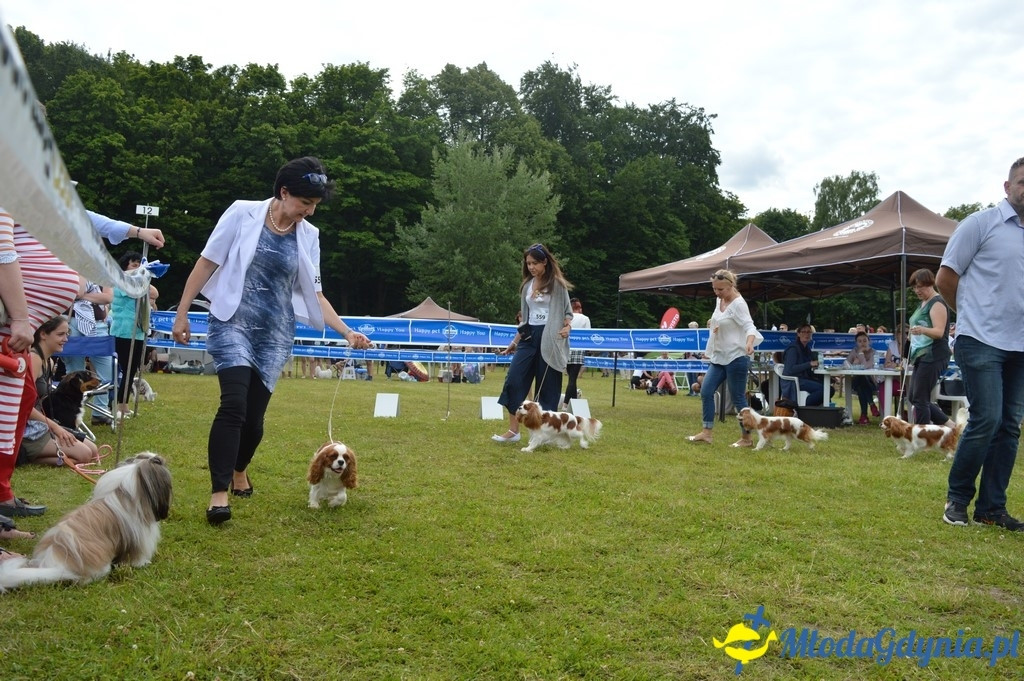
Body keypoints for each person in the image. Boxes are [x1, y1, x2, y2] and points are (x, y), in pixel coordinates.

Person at [172, 157, 370, 525]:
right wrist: (183, 311)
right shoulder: (241, 213)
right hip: (231, 321)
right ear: (283, 192)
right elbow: (206, 262)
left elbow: (317, 295)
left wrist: (347, 332)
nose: (309, 211)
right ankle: (218, 494)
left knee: (255, 419)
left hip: (275, 332)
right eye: (304, 203)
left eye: (314, 206)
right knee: (233, 404)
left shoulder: (309, 237)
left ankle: (239, 469)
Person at [937, 156, 1024, 530]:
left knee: (1010, 425)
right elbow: (945, 277)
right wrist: (969, 315)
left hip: (1020, 344)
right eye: (1023, 182)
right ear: (1007, 187)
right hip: (980, 339)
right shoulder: (981, 223)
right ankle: (957, 500)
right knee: (986, 419)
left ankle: (991, 509)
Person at [0, 208, 82, 521]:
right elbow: (3, 250)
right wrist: (21, 318)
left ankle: (3, 501)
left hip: (17, 328)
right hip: (14, 326)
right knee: (7, 417)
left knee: (13, 414)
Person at [492, 243, 573, 443]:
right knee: (514, 380)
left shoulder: (557, 284)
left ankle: (545, 435)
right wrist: (514, 342)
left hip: (550, 338)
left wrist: (567, 328)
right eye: (528, 263)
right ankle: (513, 431)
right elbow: (524, 320)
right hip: (529, 338)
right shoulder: (527, 286)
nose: (530, 267)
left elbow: (568, 313)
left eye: (534, 263)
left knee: (547, 388)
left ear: (545, 262)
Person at [687, 269, 761, 447]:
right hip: (719, 356)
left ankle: (747, 438)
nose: (717, 293)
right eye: (714, 289)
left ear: (731, 285)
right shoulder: (719, 299)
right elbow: (717, 320)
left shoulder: (739, 304)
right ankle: (706, 433)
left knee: (738, 398)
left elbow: (750, 326)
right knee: (706, 391)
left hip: (736, 356)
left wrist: (750, 343)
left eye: (720, 289)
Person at [20, 316, 100, 467]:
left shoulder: (49, 361)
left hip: (42, 424)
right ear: (43, 334)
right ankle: (25, 455)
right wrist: (56, 427)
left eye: (67, 334)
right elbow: (22, 406)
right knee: (84, 455)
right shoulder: (34, 359)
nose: (66, 339)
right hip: (28, 430)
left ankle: (36, 456)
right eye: (60, 334)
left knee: (93, 451)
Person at [111, 251, 158, 421]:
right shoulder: (122, 281)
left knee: (131, 371)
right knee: (123, 369)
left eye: (140, 264)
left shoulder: (140, 280)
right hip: (123, 331)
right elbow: (142, 292)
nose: (138, 268)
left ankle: (123, 405)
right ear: (125, 266)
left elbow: (155, 293)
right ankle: (118, 405)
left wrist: (145, 273)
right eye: (134, 265)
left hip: (138, 331)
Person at [62, 281, 115, 425]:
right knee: (73, 373)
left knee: (106, 371)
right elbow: (78, 292)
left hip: (98, 326)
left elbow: (108, 298)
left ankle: (100, 412)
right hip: (71, 323)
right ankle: (71, 411)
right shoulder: (73, 265)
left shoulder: (103, 272)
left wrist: (83, 297)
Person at [905, 268, 953, 426]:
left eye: (920, 286)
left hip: (934, 355)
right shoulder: (923, 303)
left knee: (920, 398)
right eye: (914, 287)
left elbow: (939, 332)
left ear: (930, 283)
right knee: (914, 397)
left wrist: (922, 330)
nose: (916, 290)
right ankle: (951, 426)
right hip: (921, 356)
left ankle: (922, 435)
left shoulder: (937, 303)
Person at [781, 324, 831, 406]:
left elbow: (809, 368)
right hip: (794, 381)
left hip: (804, 378)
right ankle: (805, 407)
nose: (806, 334)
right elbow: (790, 369)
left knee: (829, 388)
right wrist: (809, 364)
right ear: (798, 334)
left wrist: (829, 377)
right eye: (803, 332)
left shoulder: (807, 348)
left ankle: (819, 410)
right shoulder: (793, 349)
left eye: (808, 332)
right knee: (824, 389)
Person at [561, 298, 591, 410]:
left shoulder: (566, 318)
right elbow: (588, 334)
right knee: (572, 379)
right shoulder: (585, 318)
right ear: (579, 308)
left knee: (571, 377)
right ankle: (565, 404)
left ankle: (573, 404)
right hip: (578, 349)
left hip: (566, 348)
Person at [843, 331, 879, 424]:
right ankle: (871, 404)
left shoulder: (874, 352)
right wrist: (852, 364)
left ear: (869, 341)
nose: (862, 343)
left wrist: (861, 356)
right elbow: (846, 363)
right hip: (855, 382)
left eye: (864, 341)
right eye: (859, 341)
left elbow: (867, 366)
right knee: (860, 379)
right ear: (856, 343)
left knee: (861, 383)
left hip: (871, 382)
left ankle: (864, 416)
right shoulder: (854, 351)